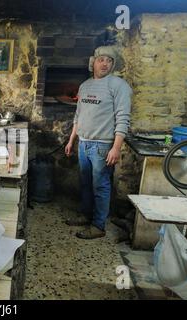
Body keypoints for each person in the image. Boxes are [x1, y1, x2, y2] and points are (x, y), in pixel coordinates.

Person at [64, 46, 132, 239]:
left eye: (109, 61)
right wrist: (71, 141)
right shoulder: (85, 86)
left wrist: (116, 148)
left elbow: (123, 118)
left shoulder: (119, 86)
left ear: (113, 65)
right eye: (101, 59)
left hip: (103, 146)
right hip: (84, 144)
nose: (105, 63)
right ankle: (86, 215)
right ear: (93, 62)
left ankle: (98, 226)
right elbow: (79, 115)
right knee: (85, 183)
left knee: (100, 185)